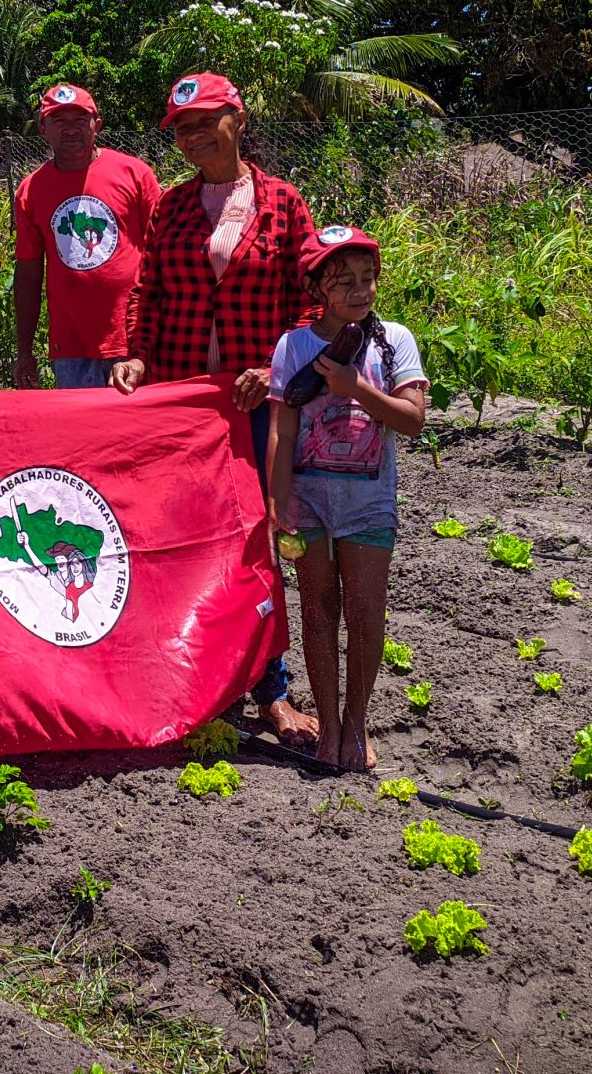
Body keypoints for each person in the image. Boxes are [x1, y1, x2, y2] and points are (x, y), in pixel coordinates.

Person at [110, 71, 322, 747]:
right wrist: (137, 353)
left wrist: (274, 365)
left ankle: (271, 689)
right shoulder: (171, 208)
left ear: (239, 118)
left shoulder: (283, 204)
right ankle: (192, 670)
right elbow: (147, 289)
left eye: (207, 122)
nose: (195, 137)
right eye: (183, 130)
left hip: (255, 406)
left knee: (253, 538)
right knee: (176, 536)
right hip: (182, 404)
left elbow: (315, 301)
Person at [266, 226, 428, 771]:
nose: (359, 291)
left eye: (367, 279)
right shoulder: (293, 346)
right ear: (318, 289)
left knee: (364, 611)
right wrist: (277, 502)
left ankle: (357, 722)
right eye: (344, 283)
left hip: (368, 504)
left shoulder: (395, 341)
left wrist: (356, 389)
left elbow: (412, 421)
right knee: (317, 609)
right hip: (308, 503)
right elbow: (282, 432)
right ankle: (328, 724)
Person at [12, 82, 161, 390]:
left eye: (80, 119)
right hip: (71, 349)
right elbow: (28, 273)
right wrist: (24, 352)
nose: (71, 129)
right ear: (43, 128)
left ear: (97, 124)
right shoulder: (31, 190)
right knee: (82, 436)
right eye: (59, 121)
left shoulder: (135, 174)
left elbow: (162, 254)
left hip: (134, 340)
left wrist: (163, 330)